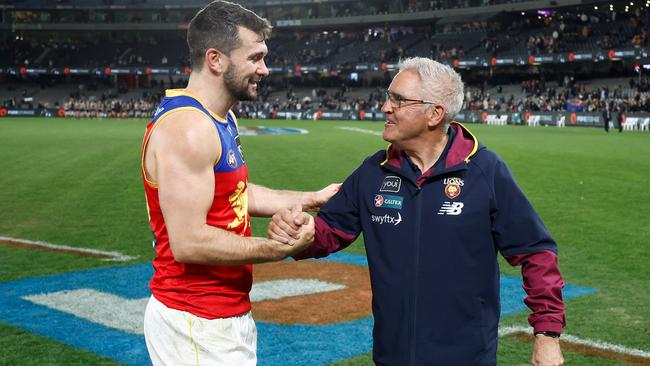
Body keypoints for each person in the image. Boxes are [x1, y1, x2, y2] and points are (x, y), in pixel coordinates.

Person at [269, 57, 565, 366]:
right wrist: (304, 233)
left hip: (466, 358)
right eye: (389, 97)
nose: (385, 107)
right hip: (391, 357)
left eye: (398, 100)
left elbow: (536, 251)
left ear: (434, 113)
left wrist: (547, 334)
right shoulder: (373, 172)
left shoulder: (485, 172)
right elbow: (330, 231)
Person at [140, 1, 338, 365]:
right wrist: (276, 249)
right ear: (215, 59)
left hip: (220, 314)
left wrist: (310, 197)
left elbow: (235, 194)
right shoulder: (189, 128)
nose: (265, 69)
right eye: (255, 57)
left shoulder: (220, 117)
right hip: (196, 320)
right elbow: (189, 242)